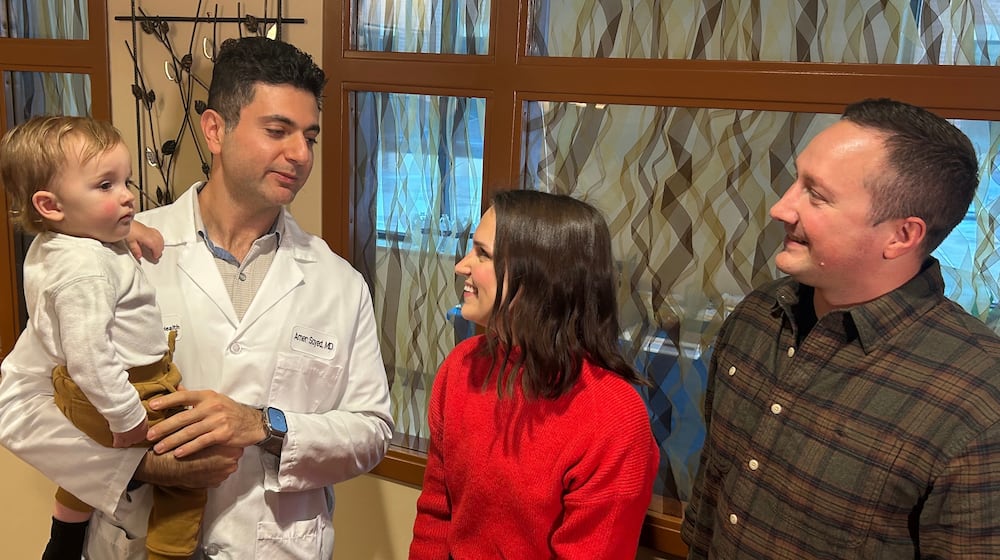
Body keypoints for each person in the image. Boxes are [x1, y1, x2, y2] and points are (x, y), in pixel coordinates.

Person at [0, 36, 393, 560]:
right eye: (277, 130)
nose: (299, 154)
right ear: (215, 129)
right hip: (131, 543)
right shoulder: (111, 254)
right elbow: (18, 405)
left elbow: (371, 431)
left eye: (310, 137)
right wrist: (140, 465)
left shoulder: (338, 283)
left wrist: (264, 424)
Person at [681, 98, 1000, 558]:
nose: (781, 208)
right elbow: (710, 504)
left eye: (817, 194)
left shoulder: (978, 402)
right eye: (797, 181)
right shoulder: (757, 317)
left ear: (900, 236)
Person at [409, 190, 659, 559]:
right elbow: (436, 512)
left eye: (483, 254)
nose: (462, 266)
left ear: (538, 276)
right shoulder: (461, 368)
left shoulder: (612, 418)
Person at [0, 115, 205, 560]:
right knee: (189, 478)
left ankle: (64, 538)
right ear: (51, 205)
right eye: (105, 185)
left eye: (125, 180)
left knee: (85, 472)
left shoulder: (58, 241)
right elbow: (90, 356)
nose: (127, 195)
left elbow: (96, 232)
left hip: (90, 390)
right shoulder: (85, 273)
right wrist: (127, 416)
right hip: (122, 389)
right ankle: (168, 555)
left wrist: (135, 229)